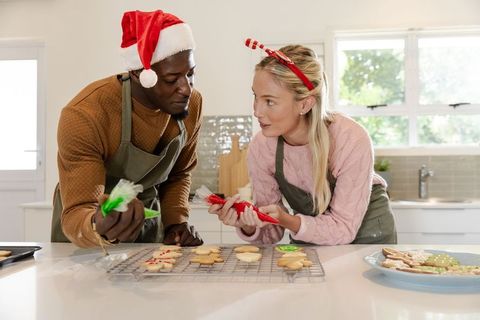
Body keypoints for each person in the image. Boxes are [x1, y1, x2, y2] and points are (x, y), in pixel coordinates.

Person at [208, 39, 397, 245]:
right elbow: (271, 232)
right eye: (256, 97)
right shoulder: (262, 147)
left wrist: (289, 220)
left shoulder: (350, 139)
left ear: (305, 104)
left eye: (269, 101)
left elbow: (343, 228)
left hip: (367, 237)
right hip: (310, 234)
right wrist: (248, 223)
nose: (257, 111)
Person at [52, 9, 204, 248]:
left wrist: (176, 224)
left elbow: (179, 174)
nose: (186, 88)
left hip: (147, 222)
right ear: (139, 74)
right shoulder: (85, 114)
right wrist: (98, 225)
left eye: (191, 74)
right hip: (86, 234)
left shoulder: (192, 105)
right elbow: (79, 210)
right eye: (172, 79)